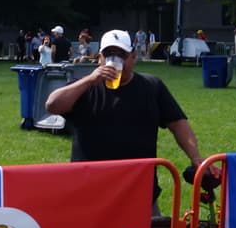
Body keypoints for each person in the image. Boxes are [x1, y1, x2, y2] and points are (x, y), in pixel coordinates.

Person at [45, 29, 207, 212]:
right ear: (99, 58)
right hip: (91, 192)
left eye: (121, 54)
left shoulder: (152, 87)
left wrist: (196, 158)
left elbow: (178, 123)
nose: (115, 61)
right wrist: (90, 80)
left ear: (133, 57)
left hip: (139, 191)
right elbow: (52, 105)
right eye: (108, 54)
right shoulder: (85, 87)